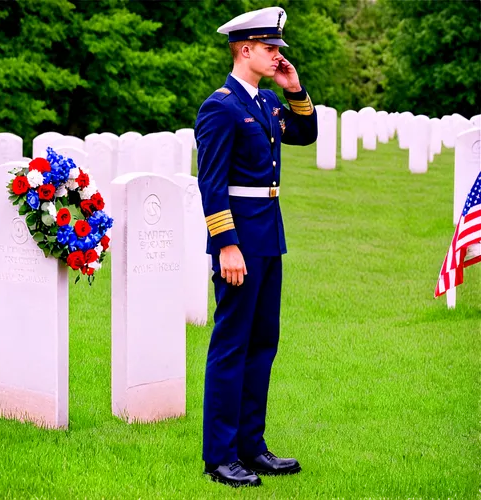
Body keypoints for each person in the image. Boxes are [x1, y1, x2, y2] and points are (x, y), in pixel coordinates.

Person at [194, 6, 318, 488]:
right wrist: (225, 244)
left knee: (262, 345)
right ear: (244, 49)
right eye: (270, 49)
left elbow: (304, 134)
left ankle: (251, 447)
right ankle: (220, 456)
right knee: (232, 345)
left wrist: (295, 89)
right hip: (239, 239)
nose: (276, 55)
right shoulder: (220, 106)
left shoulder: (265, 105)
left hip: (269, 235)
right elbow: (212, 182)